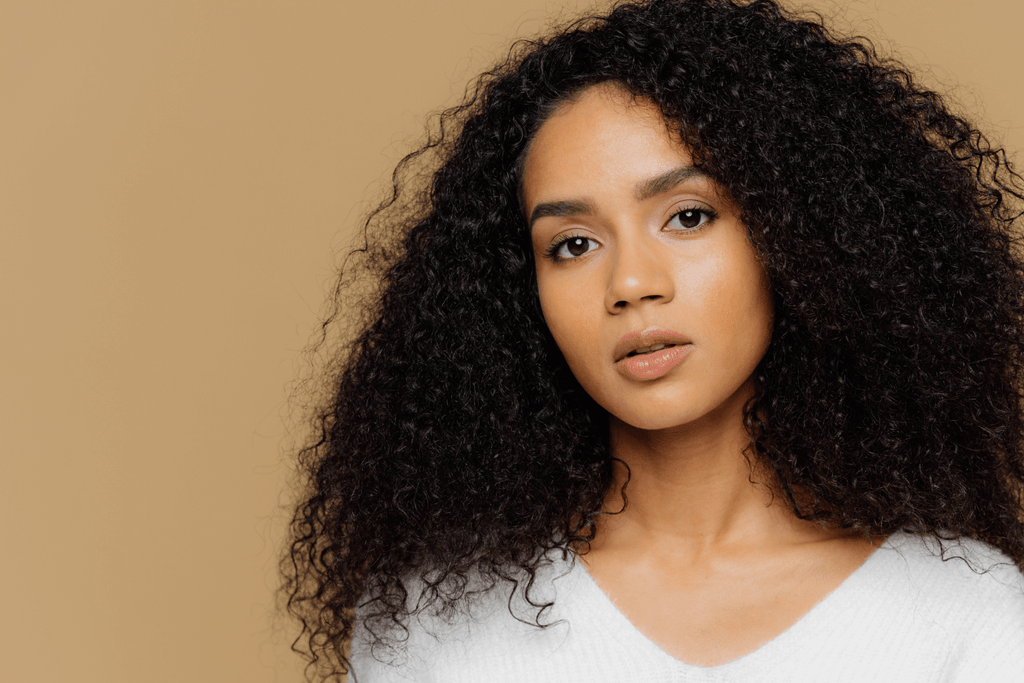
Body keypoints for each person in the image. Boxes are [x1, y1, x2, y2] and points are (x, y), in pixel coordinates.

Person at [282, 0, 1024, 680]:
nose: (632, 283)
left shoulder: (967, 618)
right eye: (572, 243)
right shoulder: (430, 624)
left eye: (688, 217)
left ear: (796, 237)